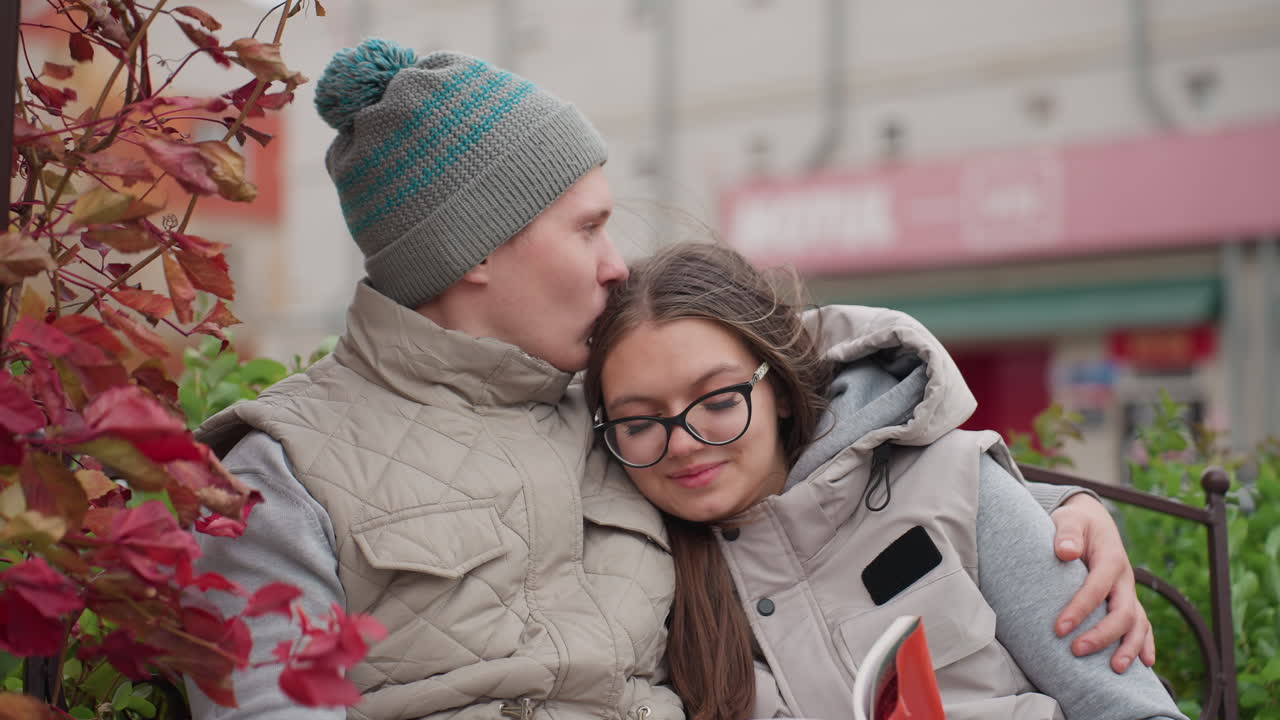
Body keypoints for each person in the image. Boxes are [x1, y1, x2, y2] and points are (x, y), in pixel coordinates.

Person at [185, 39, 1152, 719]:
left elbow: (805, 412)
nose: (616, 262)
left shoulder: (617, 408)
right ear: (476, 248)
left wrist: (1040, 508)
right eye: (589, 225)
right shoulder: (289, 469)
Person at [583, 242, 1184, 720]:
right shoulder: (637, 572)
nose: (682, 442)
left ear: (780, 391)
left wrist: (1052, 504)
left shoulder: (960, 490)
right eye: (639, 421)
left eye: (717, 399)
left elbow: (1131, 709)